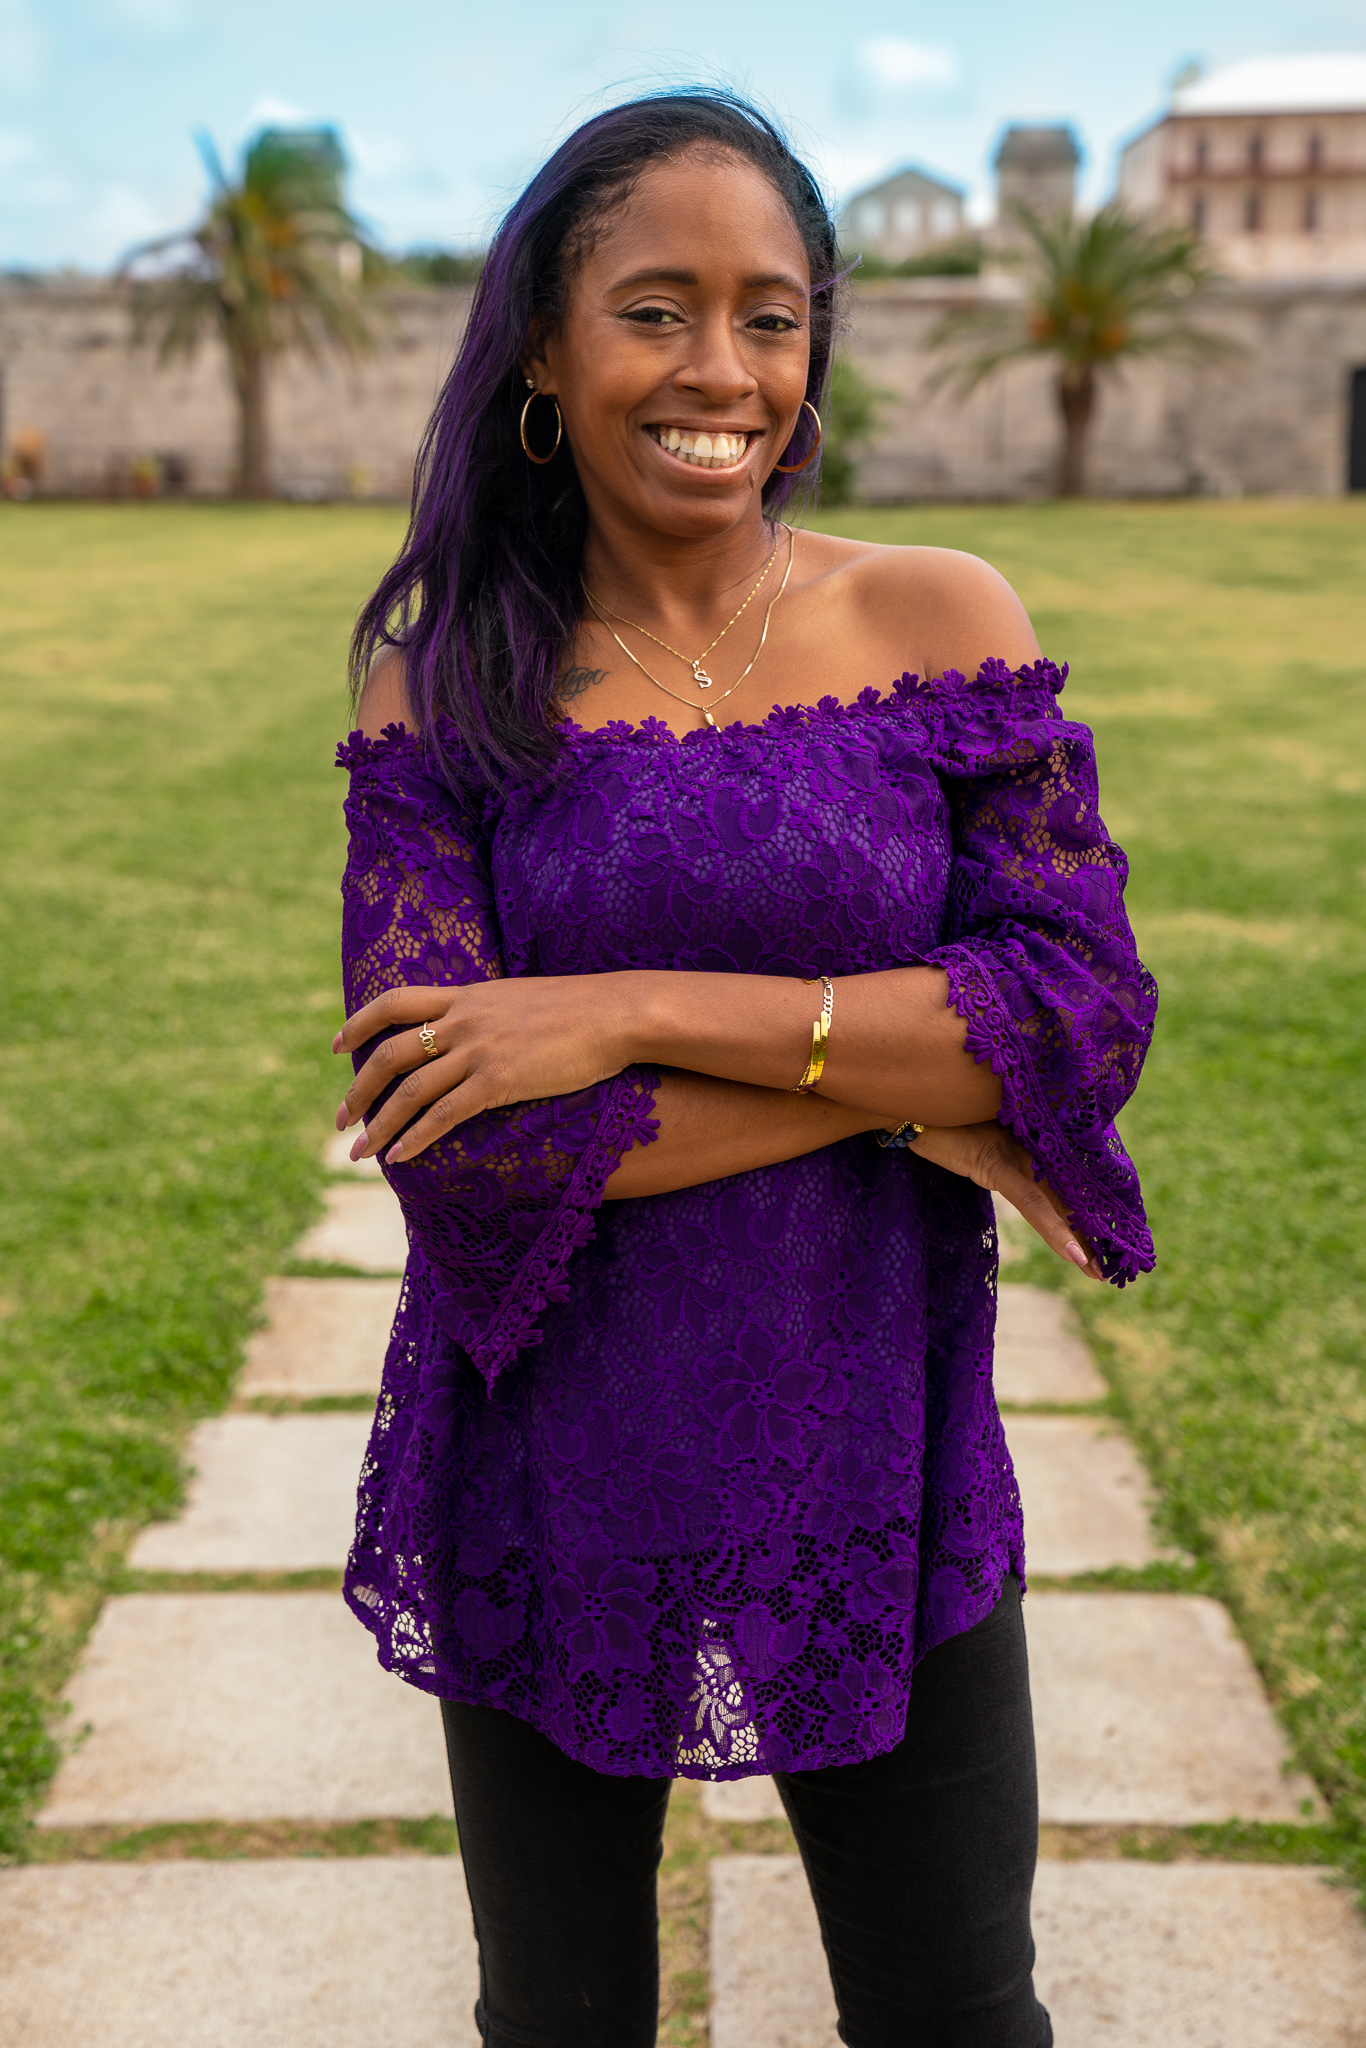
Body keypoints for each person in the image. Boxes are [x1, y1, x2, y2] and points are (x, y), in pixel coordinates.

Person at [332, 90, 1155, 2048]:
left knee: (959, 2013)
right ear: (544, 348)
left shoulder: (938, 620)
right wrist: (908, 1079)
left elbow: (1073, 1011)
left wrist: (621, 1007)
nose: (723, 370)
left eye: (769, 317)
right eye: (656, 310)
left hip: (884, 1448)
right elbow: (466, 1144)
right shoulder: (445, 683)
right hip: (549, 1457)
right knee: (557, 2024)